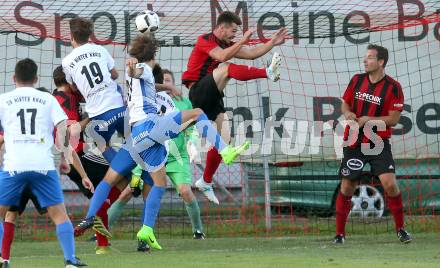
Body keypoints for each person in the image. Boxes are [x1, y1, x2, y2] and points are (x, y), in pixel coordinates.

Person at [182, 11, 287, 204]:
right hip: (197, 91)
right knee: (227, 67)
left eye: (236, 32)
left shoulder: (227, 44)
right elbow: (221, 56)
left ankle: (205, 181)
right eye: (233, 30)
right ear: (221, 27)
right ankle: (267, 72)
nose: (234, 34)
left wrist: (272, 42)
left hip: (213, 96)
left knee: (226, 138)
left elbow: (251, 53)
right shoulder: (205, 39)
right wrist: (242, 41)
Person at [0, 58, 88, 267]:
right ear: (36, 78)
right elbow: (63, 133)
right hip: (43, 166)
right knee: (59, 215)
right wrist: (70, 160)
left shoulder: (3, 100)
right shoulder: (48, 100)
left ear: (14, 78)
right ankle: (70, 260)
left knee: (3, 215)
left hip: (14, 166)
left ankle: (3, 258)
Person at [107, 68, 206, 249]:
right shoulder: (145, 102)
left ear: (174, 84)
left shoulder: (183, 102)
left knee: (185, 191)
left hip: (176, 156)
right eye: (164, 81)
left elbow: (193, 127)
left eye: (170, 81)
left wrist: (193, 143)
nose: (166, 85)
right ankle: (105, 230)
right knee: (129, 191)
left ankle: (198, 230)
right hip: (152, 153)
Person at [62, 17, 136, 239]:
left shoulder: (67, 62)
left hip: (97, 116)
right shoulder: (99, 50)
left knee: (101, 144)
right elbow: (114, 75)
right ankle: (138, 174)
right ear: (90, 35)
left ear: (72, 37)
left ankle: (127, 176)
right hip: (118, 108)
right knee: (133, 144)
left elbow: (73, 85)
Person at [334, 44, 411, 244]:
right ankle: (340, 235)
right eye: (365, 57)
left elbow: (393, 120)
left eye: (369, 57)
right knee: (347, 186)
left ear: (381, 62)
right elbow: (345, 103)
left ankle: (401, 229)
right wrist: (348, 112)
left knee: (389, 184)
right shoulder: (357, 80)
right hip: (355, 140)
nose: (365, 60)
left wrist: (368, 119)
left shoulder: (393, 87)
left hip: (378, 141)